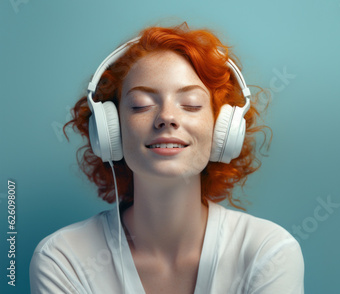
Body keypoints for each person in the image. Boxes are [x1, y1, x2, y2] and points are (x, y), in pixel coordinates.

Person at [29, 22, 305, 293]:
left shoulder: (268, 253)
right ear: (110, 130)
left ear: (223, 130)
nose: (167, 118)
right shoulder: (63, 259)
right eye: (141, 105)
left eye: (191, 104)